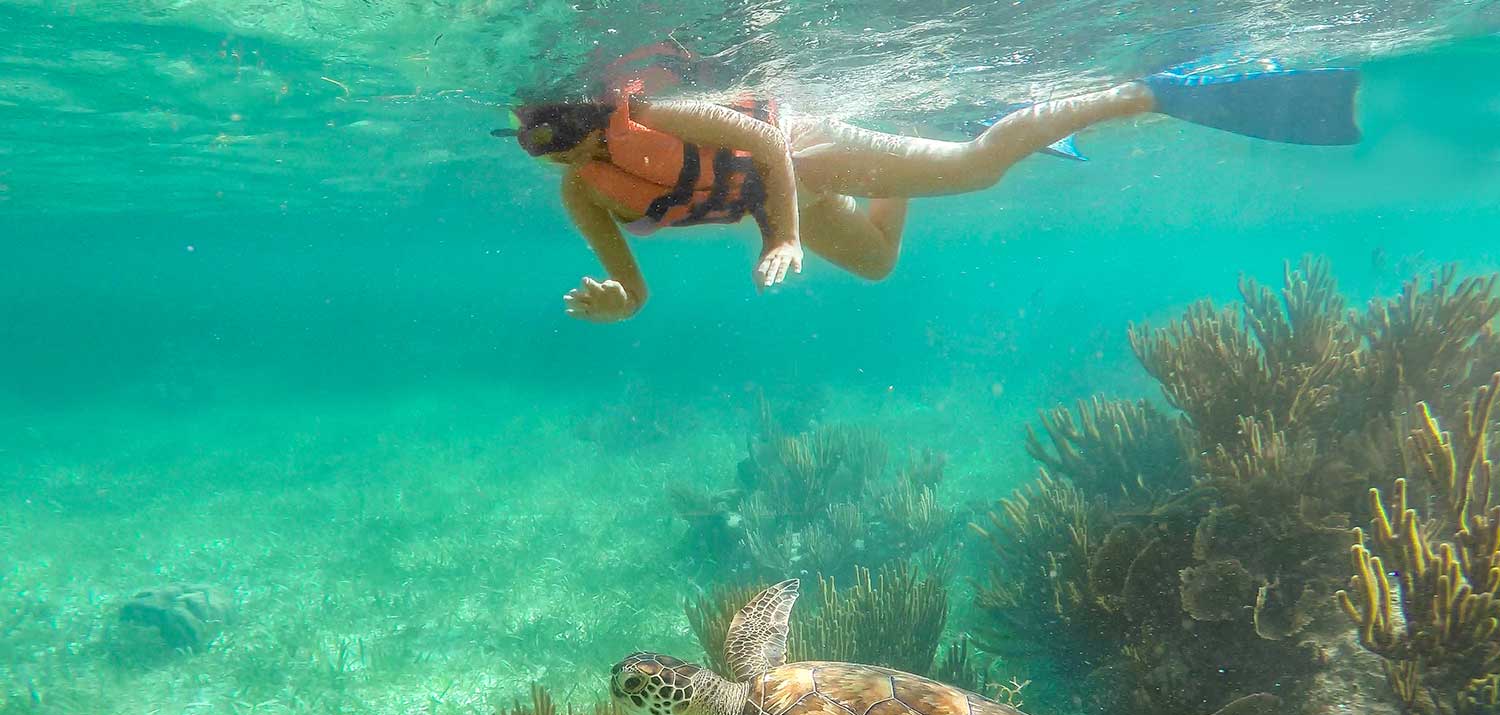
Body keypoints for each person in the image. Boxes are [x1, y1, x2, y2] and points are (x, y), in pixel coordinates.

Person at [495, 61, 1361, 322]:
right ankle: (927, 122)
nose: (559, 156)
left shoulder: (658, 110)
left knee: (979, 168)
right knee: (874, 265)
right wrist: (623, 302)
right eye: (541, 145)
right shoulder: (586, 194)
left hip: (807, 155)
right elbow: (633, 286)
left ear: (596, 117)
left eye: (566, 135)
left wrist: (781, 239)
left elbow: (761, 140)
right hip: (771, 197)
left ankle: (1152, 92)